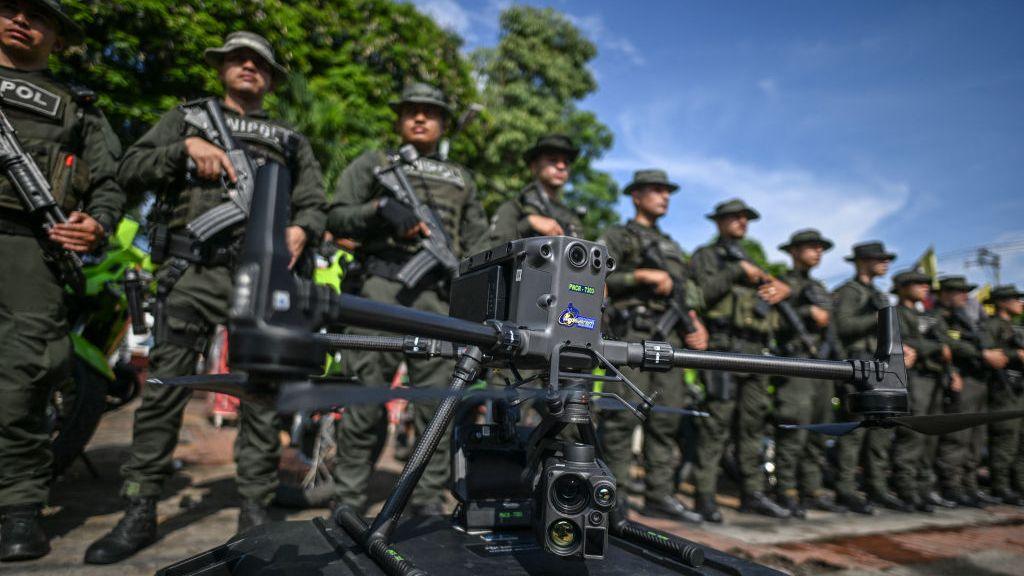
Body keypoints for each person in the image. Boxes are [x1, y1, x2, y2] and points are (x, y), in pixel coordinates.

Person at [84, 32, 327, 564]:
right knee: (167, 386)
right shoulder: (187, 118)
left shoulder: (289, 138)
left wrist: (303, 229)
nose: (248, 67)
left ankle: (255, 507)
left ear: (270, 76)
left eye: (259, 63)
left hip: (259, 281)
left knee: (261, 394)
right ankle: (140, 503)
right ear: (221, 68)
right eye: (238, 59)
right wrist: (183, 150)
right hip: (191, 271)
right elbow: (128, 168)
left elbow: (313, 200)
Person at [0, 0, 124, 561]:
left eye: (37, 15)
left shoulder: (78, 107)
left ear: (57, 36)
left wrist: (97, 223)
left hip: (31, 246)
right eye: (8, 8)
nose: (21, 21)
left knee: (26, 372)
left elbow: (110, 181)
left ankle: (18, 507)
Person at [327, 82, 488, 515]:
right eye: (411, 111)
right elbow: (336, 213)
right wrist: (378, 211)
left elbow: (478, 245)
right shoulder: (375, 164)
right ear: (399, 120)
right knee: (365, 399)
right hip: (380, 290)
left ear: (442, 124)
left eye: (430, 112)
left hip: (439, 299)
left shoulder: (461, 179)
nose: (420, 118)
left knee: (436, 408)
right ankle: (348, 500)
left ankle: (426, 502)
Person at [599, 170, 708, 524]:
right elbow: (595, 276)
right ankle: (613, 498)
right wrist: (640, 277)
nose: (664, 197)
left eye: (667, 191)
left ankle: (659, 495)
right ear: (636, 196)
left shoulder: (673, 246)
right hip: (631, 333)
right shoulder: (618, 235)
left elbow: (687, 292)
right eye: (656, 190)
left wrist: (696, 323)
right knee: (620, 419)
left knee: (667, 419)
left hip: (670, 338)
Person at [690, 198, 792, 521]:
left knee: (752, 426)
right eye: (734, 218)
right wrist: (736, 271)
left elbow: (772, 293)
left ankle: (753, 493)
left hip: (755, 351)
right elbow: (701, 295)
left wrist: (779, 289)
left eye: (745, 218)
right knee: (716, 424)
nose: (742, 222)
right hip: (723, 346)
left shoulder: (754, 257)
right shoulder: (707, 256)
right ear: (719, 222)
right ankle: (704, 495)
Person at [772, 229, 847, 518]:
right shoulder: (783, 283)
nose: (817, 252)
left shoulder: (821, 288)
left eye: (820, 248)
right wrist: (805, 313)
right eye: (810, 247)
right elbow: (772, 322)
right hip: (796, 363)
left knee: (819, 428)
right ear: (793, 251)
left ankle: (812, 488)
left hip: (823, 366)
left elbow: (833, 329)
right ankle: (787, 489)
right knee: (795, 427)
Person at [832, 241, 903, 514]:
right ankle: (846, 489)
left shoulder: (877, 293)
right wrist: (876, 318)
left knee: (878, 431)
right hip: (857, 366)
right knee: (853, 432)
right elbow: (843, 326)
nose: (885, 263)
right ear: (863, 262)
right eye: (879, 259)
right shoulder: (850, 292)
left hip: (879, 366)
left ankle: (877, 487)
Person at [933, 275, 1005, 508]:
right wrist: (981, 354)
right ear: (944, 294)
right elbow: (947, 343)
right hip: (960, 380)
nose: (965, 296)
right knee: (958, 437)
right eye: (958, 292)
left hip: (978, 380)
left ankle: (969, 484)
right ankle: (951, 486)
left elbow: (982, 341)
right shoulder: (938, 317)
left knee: (976, 437)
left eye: (966, 292)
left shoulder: (968, 317)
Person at [889, 269, 957, 512]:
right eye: (918, 283)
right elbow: (901, 342)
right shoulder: (894, 313)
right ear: (903, 287)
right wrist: (935, 347)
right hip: (913, 378)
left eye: (926, 283)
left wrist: (938, 349)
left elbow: (946, 343)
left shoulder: (930, 315)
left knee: (930, 437)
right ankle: (907, 489)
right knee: (913, 435)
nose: (925, 287)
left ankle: (924, 488)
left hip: (934, 378)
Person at [482, 133, 583, 248]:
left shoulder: (571, 219)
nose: (561, 166)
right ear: (534, 167)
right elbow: (491, 249)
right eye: (553, 160)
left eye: (566, 162)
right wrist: (528, 224)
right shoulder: (515, 207)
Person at [982, 284, 1024, 505]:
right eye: (1015, 298)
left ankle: (1019, 484)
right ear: (1001, 302)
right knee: (1005, 439)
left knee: (1020, 442)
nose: (1020, 302)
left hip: (1019, 388)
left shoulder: (1016, 327)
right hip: (1003, 387)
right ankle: (1001, 486)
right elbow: (988, 354)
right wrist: (1014, 353)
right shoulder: (991, 325)